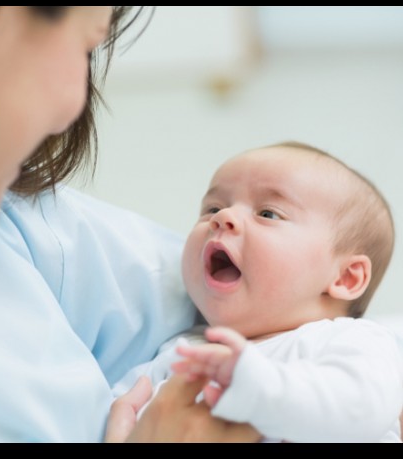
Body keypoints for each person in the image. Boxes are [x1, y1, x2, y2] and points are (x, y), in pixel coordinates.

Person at [0, 6, 259, 443]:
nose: (73, 108)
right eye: (87, 45)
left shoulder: (8, 220)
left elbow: (278, 297)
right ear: (3, 22)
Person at [113, 141, 403, 443]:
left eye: (268, 213)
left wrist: (259, 390)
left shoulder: (349, 340)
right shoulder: (179, 352)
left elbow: (362, 407)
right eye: (213, 207)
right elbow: (113, 414)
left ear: (345, 277)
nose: (223, 217)